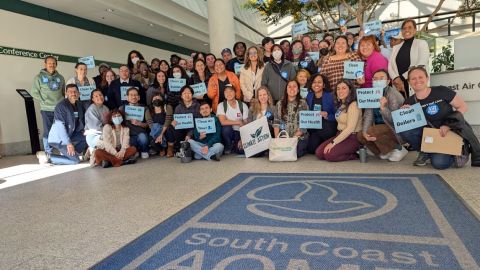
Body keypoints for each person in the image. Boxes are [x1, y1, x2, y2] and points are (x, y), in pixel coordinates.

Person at [400, 66, 480, 169]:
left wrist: (448, 125)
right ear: (409, 82)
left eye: (420, 77)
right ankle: (425, 151)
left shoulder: (441, 91)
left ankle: (455, 152)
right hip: (431, 136)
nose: (417, 80)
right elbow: (410, 126)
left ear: (427, 78)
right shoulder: (409, 102)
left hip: (450, 132)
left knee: (439, 163)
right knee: (405, 130)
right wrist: (403, 115)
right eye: (413, 78)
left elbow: (462, 106)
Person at [357, 69, 407, 162]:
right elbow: (368, 115)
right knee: (360, 135)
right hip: (379, 127)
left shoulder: (393, 94)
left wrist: (383, 108)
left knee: (372, 130)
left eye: (381, 78)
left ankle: (399, 148)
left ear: (388, 81)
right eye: (375, 79)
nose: (378, 81)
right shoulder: (372, 93)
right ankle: (384, 151)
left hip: (394, 128)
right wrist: (364, 132)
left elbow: (397, 120)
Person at [36, 84, 87, 165]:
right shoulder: (61, 106)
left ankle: (72, 153)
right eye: (70, 92)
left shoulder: (80, 105)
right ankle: (48, 157)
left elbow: (81, 120)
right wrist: (68, 144)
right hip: (59, 138)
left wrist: (85, 130)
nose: (73, 93)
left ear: (78, 93)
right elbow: (60, 126)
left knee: (88, 137)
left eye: (75, 91)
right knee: (75, 161)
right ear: (66, 93)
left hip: (72, 134)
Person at [315, 80, 362, 162]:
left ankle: (355, 154)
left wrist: (333, 143)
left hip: (352, 137)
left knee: (329, 155)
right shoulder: (341, 104)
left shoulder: (354, 105)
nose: (340, 91)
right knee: (319, 153)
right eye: (338, 89)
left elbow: (350, 128)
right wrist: (326, 116)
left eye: (344, 88)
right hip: (340, 134)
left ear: (350, 90)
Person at [31, 55, 65, 155]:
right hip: (46, 109)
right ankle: (48, 153)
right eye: (49, 63)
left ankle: (63, 151)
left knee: (61, 130)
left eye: (54, 63)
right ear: (45, 64)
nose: (52, 65)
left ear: (56, 65)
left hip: (59, 109)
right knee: (48, 131)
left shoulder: (60, 77)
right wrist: (43, 100)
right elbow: (34, 92)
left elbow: (64, 92)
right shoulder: (39, 77)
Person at [388, 18, 429, 98]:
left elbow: (421, 64)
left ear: (415, 30)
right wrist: (396, 79)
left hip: (415, 83)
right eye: (404, 28)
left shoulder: (421, 43)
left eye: (410, 27)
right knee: (402, 108)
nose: (407, 30)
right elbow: (390, 66)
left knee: (418, 107)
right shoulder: (396, 48)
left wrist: (402, 78)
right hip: (398, 86)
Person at [273, 80, 309, 158]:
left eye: (294, 86)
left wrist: (292, 139)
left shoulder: (303, 103)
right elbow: (276, 122)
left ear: (298, 89)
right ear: (286, 89)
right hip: (283, 136)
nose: (292, 88)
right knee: (282, 151)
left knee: (296, 152)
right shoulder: (279, 104)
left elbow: (305, 124)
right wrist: (277, 139)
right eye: (289, 86)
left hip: (299, 137)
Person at [305, 74, 337, 154]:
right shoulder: (309, 95)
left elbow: (337, 115)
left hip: (327, 127)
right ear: (311, 84)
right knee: (311, 149)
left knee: (326, 130)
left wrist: (327, 115)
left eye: (319, 82)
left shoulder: (330, 96)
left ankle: (329, 142)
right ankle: (323, 144)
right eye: (314, 82)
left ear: (324, 85)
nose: (316, 84)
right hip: (314, 128)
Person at [119, 87, 151, 159]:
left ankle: (144, 150)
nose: (133, 97)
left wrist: (139, 123)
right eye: (131, 95)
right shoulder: (122, 108)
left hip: (141, 134)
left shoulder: (144, 108)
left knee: (143, 137)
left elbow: (148, 124)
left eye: (136, 95)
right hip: (128, 135)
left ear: (139, 97)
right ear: (127, 97)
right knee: (128, 142)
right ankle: (135, 151)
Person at [216, 85, 249, 154]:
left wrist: (243, 139)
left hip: (240, 132)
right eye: (226, 92)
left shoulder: (242, 105)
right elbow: (223, 122)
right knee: (226, 128)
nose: (229, 94)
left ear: (235, 93)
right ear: (224, 94)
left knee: (241, 151)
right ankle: (228, 146)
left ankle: (235, 146)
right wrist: (238, 122)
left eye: (231, 91)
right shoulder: (221, 105)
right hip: (228, 133)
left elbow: (246, 124)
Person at [171, 86, 201, 154]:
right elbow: (176, 121)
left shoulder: (198, 106)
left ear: (192, 95)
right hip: (182, 130)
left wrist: (190, 134)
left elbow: (199, 123)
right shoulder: (178, 108)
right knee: (173, 128)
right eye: (184, 93)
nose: (187, 95)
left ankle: (189, 149)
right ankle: (180, 148)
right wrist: (174, 123)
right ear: (181, 96)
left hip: (194, 130)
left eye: (189, 93)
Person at [84, 89, 110, 164]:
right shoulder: (91, 110)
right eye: (96, 96)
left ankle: (102, 158)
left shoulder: (105, 108)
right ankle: (95, 154)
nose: (99, 97)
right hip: (94, 136)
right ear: (92, 99)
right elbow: (96, 128)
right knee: (109, 145)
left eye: (100, 95)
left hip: (105, 133)